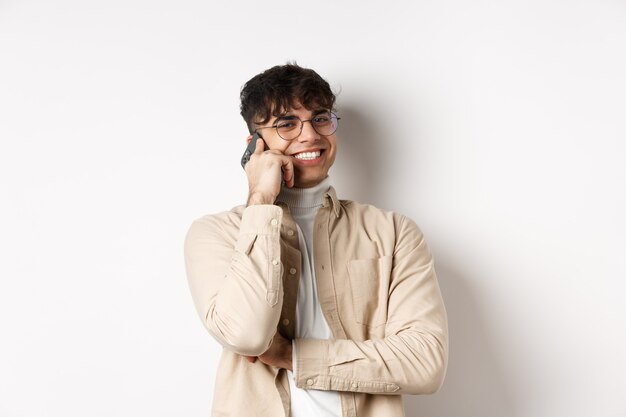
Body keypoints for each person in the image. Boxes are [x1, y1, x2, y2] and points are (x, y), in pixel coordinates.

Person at [184, 63, 448, 417]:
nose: (309, 135)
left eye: (320, 118)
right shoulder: (215, 233)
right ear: (254, 146)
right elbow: (246, 335)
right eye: (286, 124)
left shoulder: (394, 233)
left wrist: (291, 356)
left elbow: (424, 363)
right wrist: (260, 198)